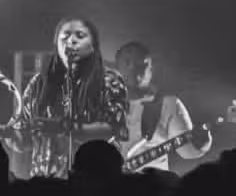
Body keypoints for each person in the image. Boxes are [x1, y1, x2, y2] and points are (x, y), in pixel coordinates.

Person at [19, 16, 127, 177]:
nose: (71, 41)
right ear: (56, 44)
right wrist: (9, 134)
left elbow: (114, 127)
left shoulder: (109, 80)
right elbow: (25, 139)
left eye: (80, 36)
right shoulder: (38, 83)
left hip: (94, 177)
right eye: (65, 36)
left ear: (93, 45)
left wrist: (65, 127)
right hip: (46, 180)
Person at [112, 41, 211, 173]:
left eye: (141, 63)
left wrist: (202, 142)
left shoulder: (168, 104)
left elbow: (187, 151)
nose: (133, 68)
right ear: (116, 68)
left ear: (151, 69)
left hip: (151, 184)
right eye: (127, 62)